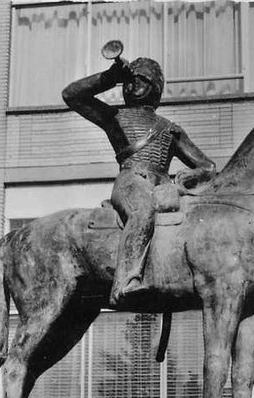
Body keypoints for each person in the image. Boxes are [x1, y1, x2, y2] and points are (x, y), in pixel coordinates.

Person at [62, 48, 216, 306]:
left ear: (154, 87)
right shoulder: (114, 117)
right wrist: (109, 78)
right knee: (142, 212)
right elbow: (72, 95)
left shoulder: (169, 128)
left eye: (140, 80)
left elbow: (208, 166)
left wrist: (188, 177)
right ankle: (125, 282)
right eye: (129, 80)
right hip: (132, 181)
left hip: (163, 188)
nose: (132, 85)